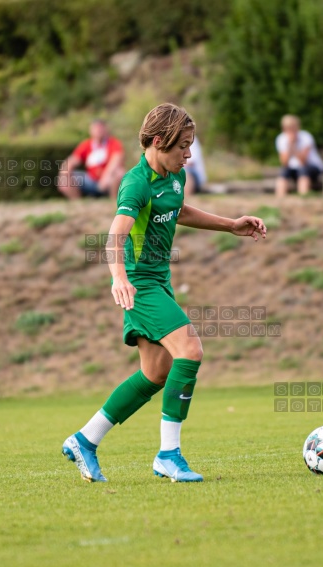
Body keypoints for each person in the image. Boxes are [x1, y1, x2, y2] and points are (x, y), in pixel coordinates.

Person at [62, 103, 267, 483]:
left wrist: (230, 224)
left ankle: (84, 440)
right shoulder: (135, 182)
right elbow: (116, 234)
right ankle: (168, 455)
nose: (189, 154)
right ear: (158, 142)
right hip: (139, 284)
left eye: (190, 146)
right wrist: (118, 278)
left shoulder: (175, 177)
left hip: (160, 282)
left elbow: (179, 211)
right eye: (182, 147)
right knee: (190, 350)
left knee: (156, 373)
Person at [57, 120, 125, 199]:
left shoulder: (114, 143)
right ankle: (77, 204)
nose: (98, 131)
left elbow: (116, 160)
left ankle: (114, 201)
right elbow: (72, 161)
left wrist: (106, 176)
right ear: (90, 131)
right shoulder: (86, 144)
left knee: (120, 173)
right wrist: (64, 173)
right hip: (90, 179)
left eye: (100, 129)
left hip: (108, 180)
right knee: (65, 178)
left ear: (105, 129)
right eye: (95, 129)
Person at [275, 115, 323, 197]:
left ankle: (303, 197)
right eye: (288, 128)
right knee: (284, 172)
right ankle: (280, 199)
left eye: (292, 128)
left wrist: (293, 145)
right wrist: (289, 145)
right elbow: (284, 163)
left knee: (303, 171)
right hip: (294, 168)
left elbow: (303, 161)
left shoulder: (306, 137)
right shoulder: (281, 139)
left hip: (311, 167)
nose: (290, 131)